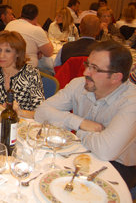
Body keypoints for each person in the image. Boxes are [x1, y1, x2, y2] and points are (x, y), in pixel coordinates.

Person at [35, 40, 136, 191]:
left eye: (94, 69)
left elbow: (105, 150)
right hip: (80, 151)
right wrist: (79, 122)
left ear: (116, 77)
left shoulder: (131, 102)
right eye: (87, 65)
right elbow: (41, 112)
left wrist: (76, 131)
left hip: (119, 166)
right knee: (43, 175)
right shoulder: (79, 84)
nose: (85, 72)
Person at [5, 3, 53, 68]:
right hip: (27, 70)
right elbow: (49, 53)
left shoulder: (10, 24)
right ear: (36, 17)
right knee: (50, 70)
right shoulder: (36, 30)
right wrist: (42, 31)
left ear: (21, 13)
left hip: (7, 65)